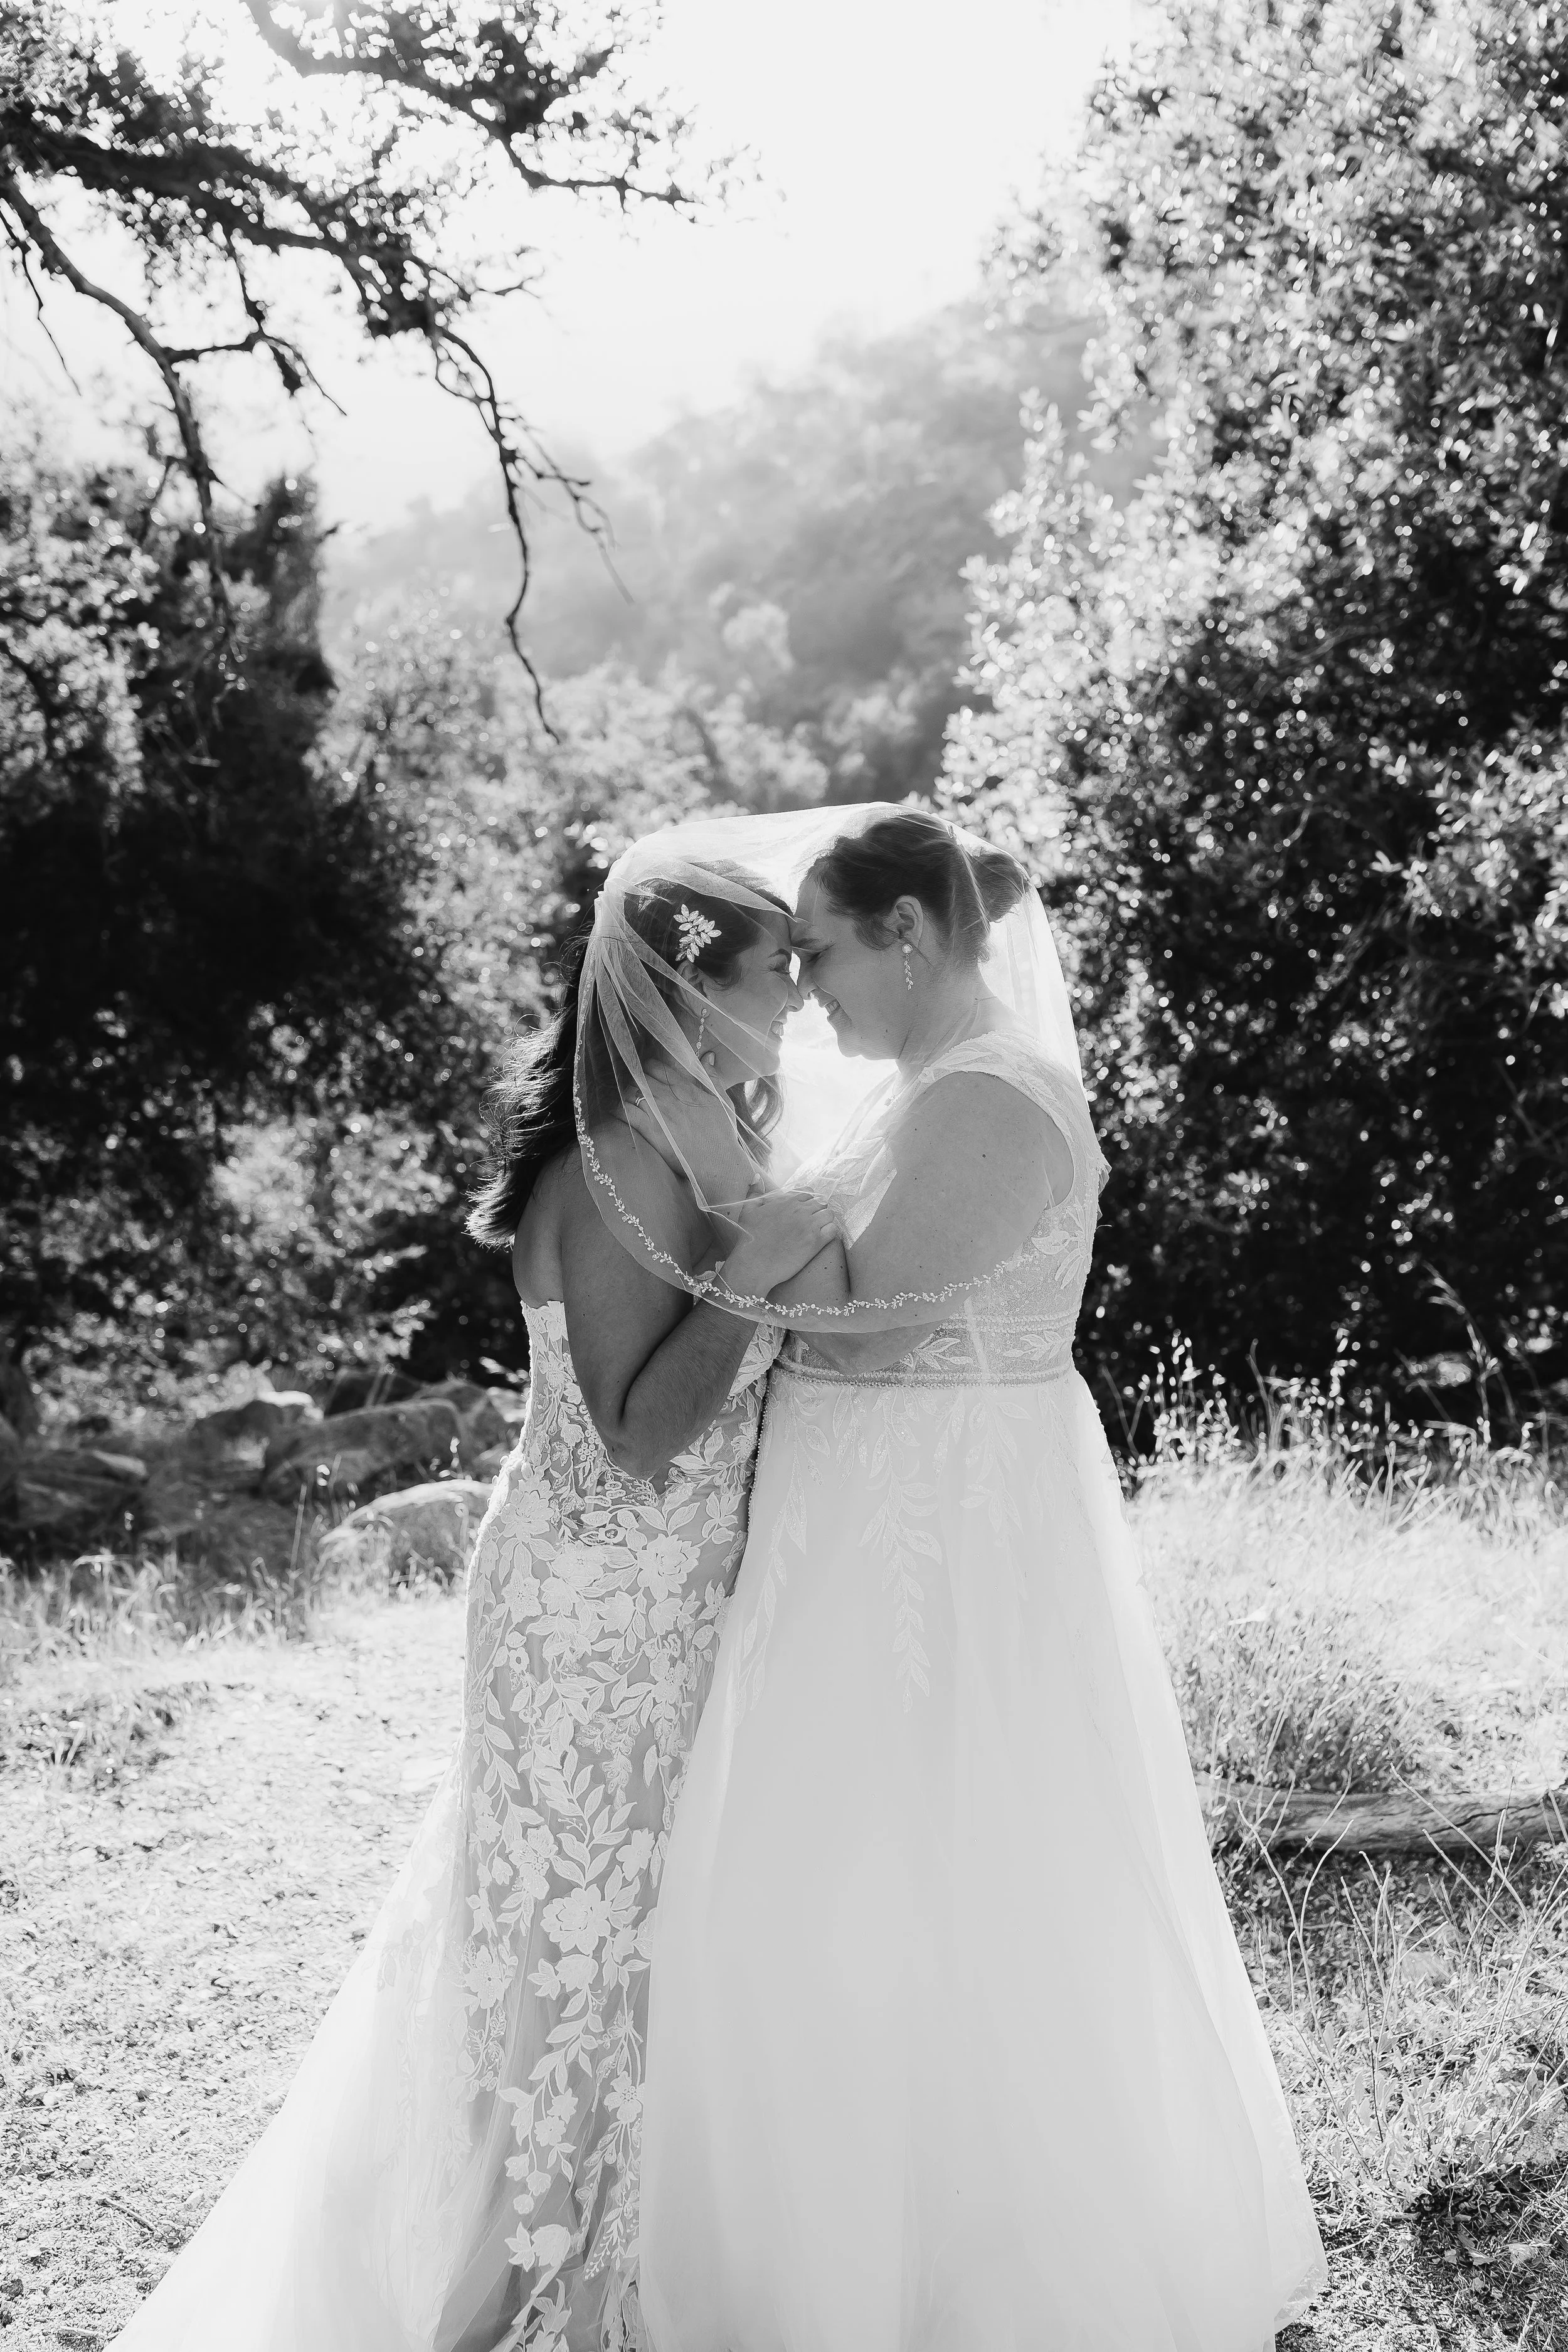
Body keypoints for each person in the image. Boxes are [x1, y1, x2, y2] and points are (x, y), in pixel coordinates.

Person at [108, 857, 835, 2352]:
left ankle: (635, 2250)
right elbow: (635, 1442)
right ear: (695, 985)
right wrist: (761, 1284)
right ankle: (554, 2285)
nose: (798, 995)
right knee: (579, 1937)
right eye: (774, 969)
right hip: (591, 1613)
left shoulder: (712, 1130)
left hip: (672, 1603)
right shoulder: (623, 1160)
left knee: (651, 1927)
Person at [629, 807, 1329, 2352]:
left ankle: (982, 2271)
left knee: (945, 1863)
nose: (803, 992)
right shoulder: (924, 1090)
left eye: (818, 955)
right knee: (845, 1869)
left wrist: (753, 1243)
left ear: (910, 934)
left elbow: (877, 1326)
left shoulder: (993, 1095)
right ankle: (821, 2243)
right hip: (868, 1503)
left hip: (936, 1515)